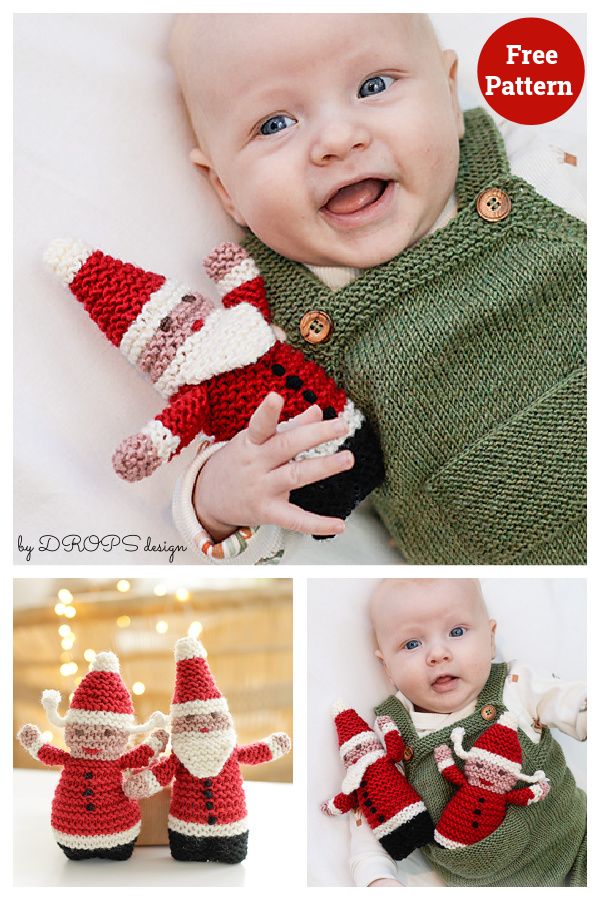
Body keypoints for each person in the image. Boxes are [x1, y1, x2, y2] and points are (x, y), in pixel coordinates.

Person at [169, 13, 586, 564]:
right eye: (274, 124)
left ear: (449, 91)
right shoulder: (268, 337)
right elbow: (291, 523)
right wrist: (220, 499)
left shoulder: (543, 177)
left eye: (373, 87)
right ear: (225, 190)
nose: (338, 140)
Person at [346, 579, 586, 886]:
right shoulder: (392, 737)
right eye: (411, 644)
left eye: (456, 632)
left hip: (577, 844)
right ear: (387, 668)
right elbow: (377, 813)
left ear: (490, 639)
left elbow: (570, 702)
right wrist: (376, 877)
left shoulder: (515, 686)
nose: (438, 654)